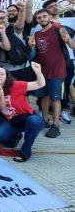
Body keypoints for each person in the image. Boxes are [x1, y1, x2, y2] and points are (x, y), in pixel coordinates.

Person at [0, 63, 45, 162]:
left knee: (34, 120)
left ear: (6, 76)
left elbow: (40, 84)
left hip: (27, 118)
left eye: (2, 74)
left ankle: (25, 151)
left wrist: (38, 72)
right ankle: (15, 137)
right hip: (12, 121)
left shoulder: (16, 85)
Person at [32, 8, 75, 138]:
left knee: (56, 99)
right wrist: (31, 47)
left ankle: (55, 126)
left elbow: (72, 46)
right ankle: (45, 121)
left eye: (44, 16)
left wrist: (67, 39)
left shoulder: (58, 29)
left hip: (57, 72)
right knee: (43, 97)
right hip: (41, 72)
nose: (42, 19)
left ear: (49, 16)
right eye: (39, 18)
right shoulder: (37, 34)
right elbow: (36, 52)